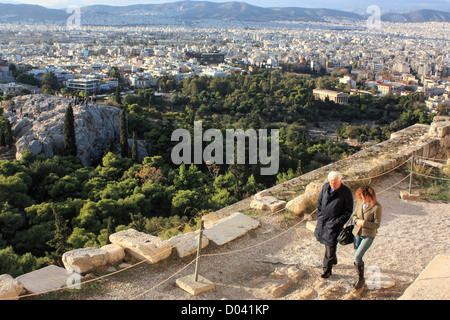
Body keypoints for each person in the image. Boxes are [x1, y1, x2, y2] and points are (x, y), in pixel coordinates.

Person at [315, 171, 353, 278]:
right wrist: (320, 215)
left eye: (335, 182)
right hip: (323, 221)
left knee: (330, 246)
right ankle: (333, 259)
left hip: (334, 224)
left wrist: (336, 222)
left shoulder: (346, 192)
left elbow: (348, 211)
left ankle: (326, 270)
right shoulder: (325, 187)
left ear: (340, 181)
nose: (333, 185)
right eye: (331, 182)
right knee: (328, 243)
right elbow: (319, 202)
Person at [351, 185, 382, 289]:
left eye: (365, 198)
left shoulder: (377, 207)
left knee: (357, 256)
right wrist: (356, 221)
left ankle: (361, 279)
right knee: (356, 257)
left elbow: (377, 225)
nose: (364, 200)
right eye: (362, 197)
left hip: (368, 235)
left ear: (371, 196)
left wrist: (364, 223)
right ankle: (360, 277)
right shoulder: (360, 203)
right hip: (357, 233)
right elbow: (354, 215)